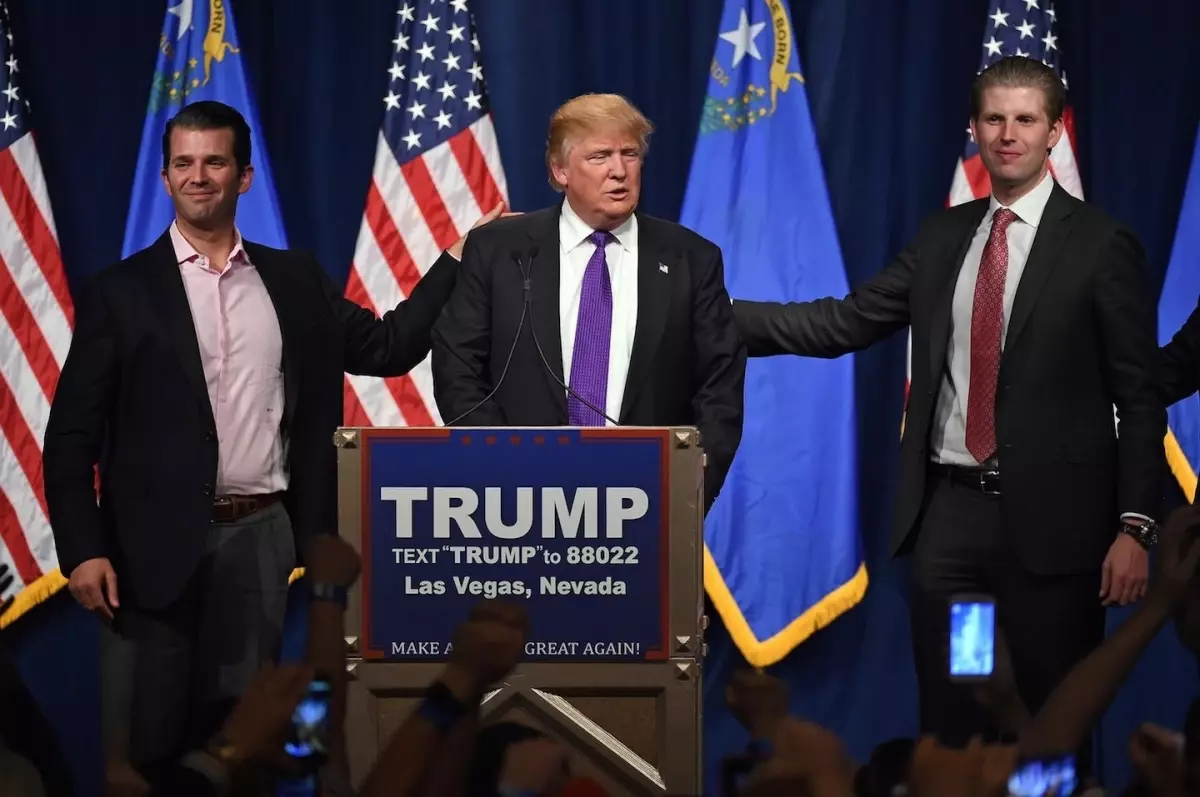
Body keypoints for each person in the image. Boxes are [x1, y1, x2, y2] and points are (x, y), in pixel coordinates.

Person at [730, 56, 1165, 763]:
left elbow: (1139, 397)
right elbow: (843, 321)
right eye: (994, 118)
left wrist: (1136, 525)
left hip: (1056, 535)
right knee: (962, 709)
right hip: (954, 530)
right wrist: (708, 312)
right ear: (975, 127)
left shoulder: (1100, 245)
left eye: (1025, 119)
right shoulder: (943, 237)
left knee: (1048, 718)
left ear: (1054, 132)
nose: (1008, 134)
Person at [41, 100, 493, 773]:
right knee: (145, 756)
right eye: (184, 163)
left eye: (214, 162)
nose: (198, 176)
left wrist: (458, 257)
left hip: (261, 541)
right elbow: (71, 437)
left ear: (243, 176)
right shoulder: (120, 292)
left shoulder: (294, 280)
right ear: (165, 177)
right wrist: (82, 550)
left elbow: (389, 347)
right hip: (143, 554)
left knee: (249, 744)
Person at [431, 93, 746, 510]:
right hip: (514, 497)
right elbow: (458, 369)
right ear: (559, 170)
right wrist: (501, 470)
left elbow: (719, 386)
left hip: (650, 500)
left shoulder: (691, 257)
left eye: (629, 154)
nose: (619, 170)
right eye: (600, 156)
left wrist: (691, 490)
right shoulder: (499, 250)